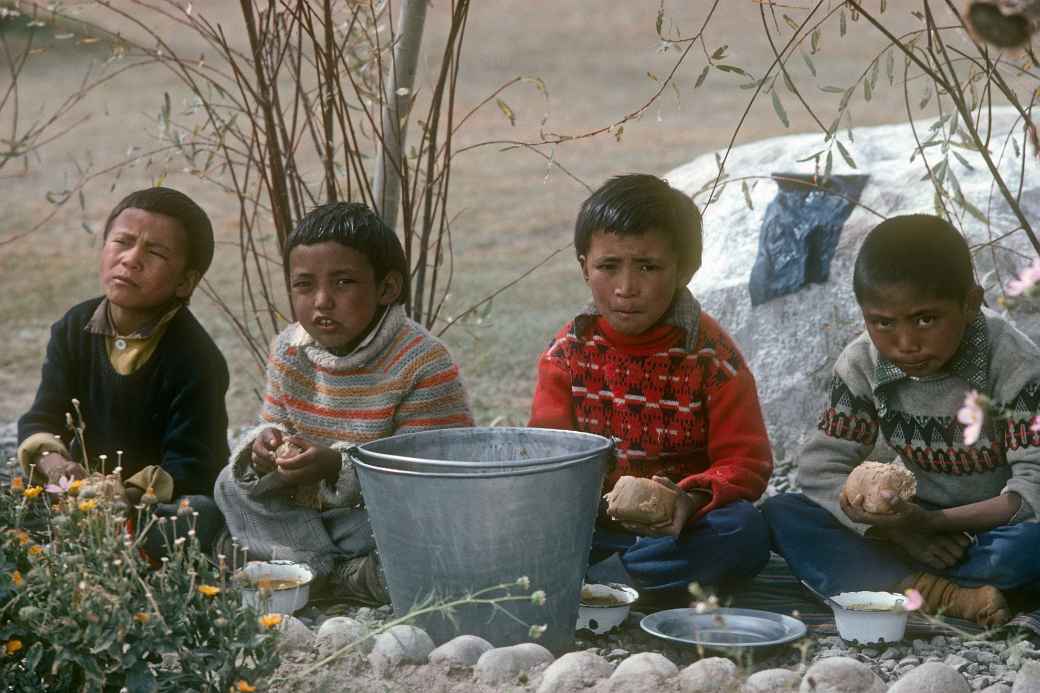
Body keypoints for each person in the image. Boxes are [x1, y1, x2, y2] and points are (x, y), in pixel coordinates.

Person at [763, 214, 1040, 627]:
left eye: (926, 319)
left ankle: (892, 586)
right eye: (883, 323)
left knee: (1027, 548)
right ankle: (946, 595)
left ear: (970, 302)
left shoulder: (1013, 365)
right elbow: (821, 468)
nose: (906, 344)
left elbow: (1033, 484)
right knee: (784, 514)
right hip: (906, 531)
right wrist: (897, 531)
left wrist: (934, 525)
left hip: (990, 529)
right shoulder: (863, 364)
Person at [529, 174, 773, 604]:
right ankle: (625, 579)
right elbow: (548, 456)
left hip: (680, 530)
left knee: (743, 531)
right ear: (584, 265)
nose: (626, 288)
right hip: (595, 526)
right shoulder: (566, 355)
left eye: (648, 267)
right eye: (608, 267)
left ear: (684, 270)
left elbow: (746, 461)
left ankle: (598, 582)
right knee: (516, 514)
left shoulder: (711, 358)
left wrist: (690, 498)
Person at [214, 201, 473, 605]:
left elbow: (428, 474)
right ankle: (330, 573)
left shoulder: (422, 360)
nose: (321, 301)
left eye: (342, 282)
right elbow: (273, 423)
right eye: (304, 285)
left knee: (433, 535)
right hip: (307, 514)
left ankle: (307, 572)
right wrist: (264, 446)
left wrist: (337, 465)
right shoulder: (289, 349)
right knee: (231, 483)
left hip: (371, 516)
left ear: (386, 287)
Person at [17, 186, 229, 558]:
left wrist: (123, 495)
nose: (131, 259)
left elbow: (195, 463)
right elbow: (43, 415)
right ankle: (68, 540)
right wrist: (57, 467)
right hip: (72, 493)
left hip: (143, 506)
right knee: (17, 491)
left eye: (156, 252)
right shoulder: (73, 327)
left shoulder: (197, 358)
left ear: (186, 281)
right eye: (123, 242)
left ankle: (99, 549)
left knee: (200, 516)